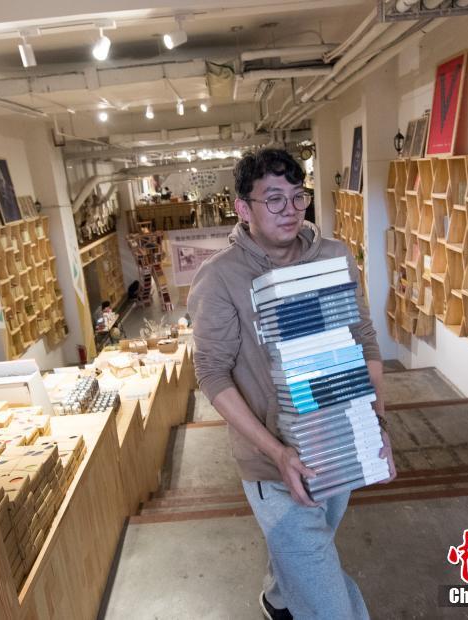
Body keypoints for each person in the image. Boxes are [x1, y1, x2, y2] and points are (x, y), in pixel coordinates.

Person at [188, 148, 395, 620]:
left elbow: (363, 339)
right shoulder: (221, 278)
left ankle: (277, 597)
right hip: (270, 463)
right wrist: (277, 453)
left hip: (338, 444)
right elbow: (213, 373)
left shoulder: (335, 256)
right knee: (326, 594)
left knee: (307, 552)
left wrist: (377, 423)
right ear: (243, 208)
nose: (291, 210)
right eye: (274, 199)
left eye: (298, 197)